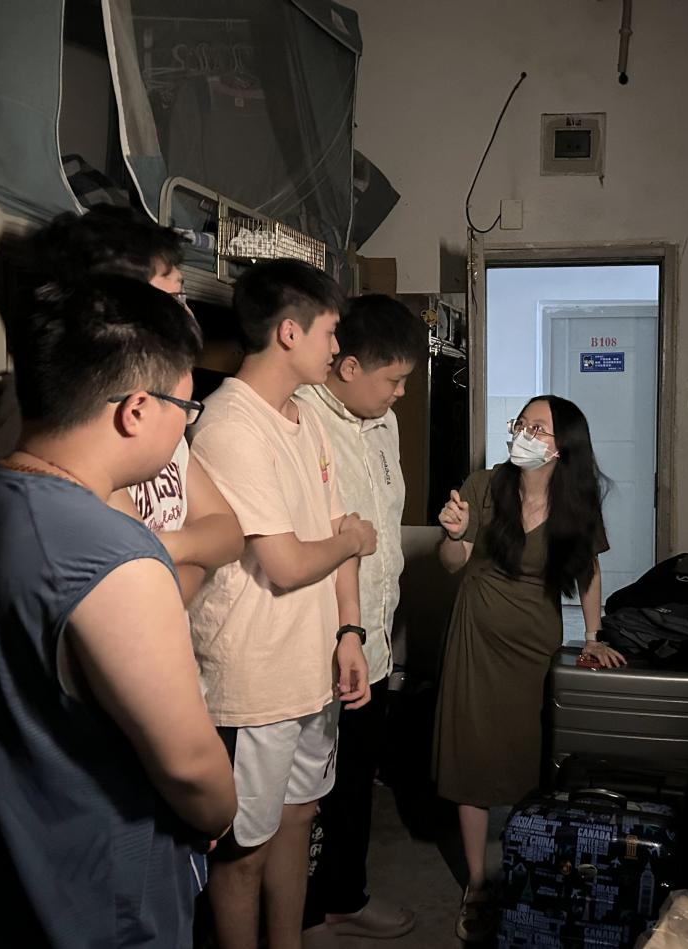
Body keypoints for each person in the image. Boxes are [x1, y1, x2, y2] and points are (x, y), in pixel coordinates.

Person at [0, 276, 237, 947]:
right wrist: (217, 810)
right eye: (186, 405)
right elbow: (190, 766)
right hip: (99, 904)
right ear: (137, 410)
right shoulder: (116, 556)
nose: (187, 423)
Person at [187, 259, 375, 949]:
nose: (337, 346)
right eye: (329, 331)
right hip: (254, 682)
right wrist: (350, 538)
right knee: (243, 850)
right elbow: (289, 562)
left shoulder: (305, 418)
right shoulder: (230, 424)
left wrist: (349, 631)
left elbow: (337, 531)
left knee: (299, 819)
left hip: (311, 669)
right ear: (289, 333)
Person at [434, 394, 624, 942]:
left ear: (562, 447)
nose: (524, 432)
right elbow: (451, 563)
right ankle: (477, 884)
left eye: (538, 427)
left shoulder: (575, 503)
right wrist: (454, 536)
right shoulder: (484, 486)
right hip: (475, 638)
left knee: (529, 757)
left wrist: (593, 637)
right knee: (471, 755)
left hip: (535, 643)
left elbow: (588, 572)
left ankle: (525, 868)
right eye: (522, 423)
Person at [0, 206, 242, 603]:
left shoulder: (158, 411)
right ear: (114, 307)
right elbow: (153, 598)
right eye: (174, 296)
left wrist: (165, 550)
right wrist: (191, 556)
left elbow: (229, 534)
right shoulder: (72, 428)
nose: (187, 313)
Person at [299, 294, 426, 943]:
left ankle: (343, 896)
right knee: (306, 792)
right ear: (347, 366)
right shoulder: (301, 419)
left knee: (353, 779)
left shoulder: (383, 423)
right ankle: (304, 911)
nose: (401, 393)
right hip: (320, 642)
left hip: (371, 637)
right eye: (392, 379)